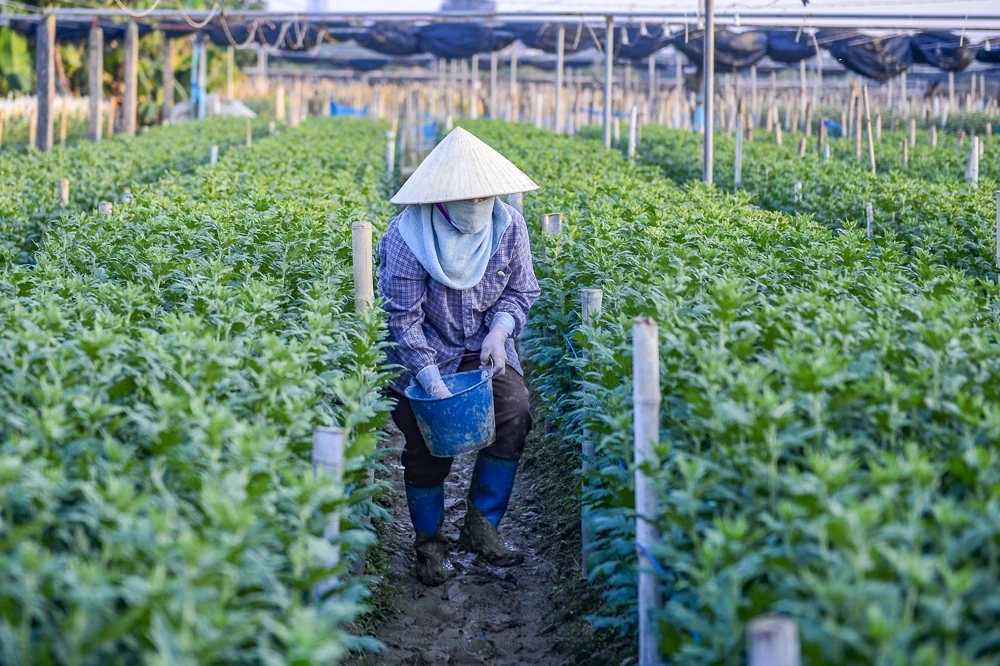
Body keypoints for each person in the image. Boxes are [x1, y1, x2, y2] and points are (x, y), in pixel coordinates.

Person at [379, 127, 541, 586]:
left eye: (483, 196)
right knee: (429, 443)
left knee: (514, 412)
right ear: (440, 198)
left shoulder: (508, 225)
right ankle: (429, 545)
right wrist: (431, 381)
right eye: (464, 198)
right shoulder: (408, 237)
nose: (476, 205)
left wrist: (501, 330)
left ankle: (482, 526)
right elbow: (403, 321)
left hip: (483, 348)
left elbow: (520, 290)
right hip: (422, 356)